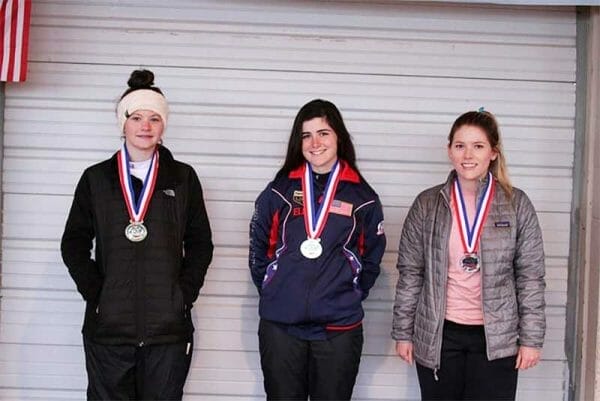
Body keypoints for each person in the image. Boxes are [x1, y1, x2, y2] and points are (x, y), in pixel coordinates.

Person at [61, 69, 213, 400]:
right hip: (110, 331)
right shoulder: (96, 179)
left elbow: (200, 243)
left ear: (163, 126)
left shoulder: (183, 179)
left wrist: (182, 295)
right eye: (137, 117)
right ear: (123, 124)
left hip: (167, 331)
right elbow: (73, 243)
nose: (145, 126)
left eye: (154, 118)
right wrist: (97, 293)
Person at [391, 109, 546, 401]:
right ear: (449, 150)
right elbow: (411, 273)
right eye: (460, 145)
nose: (468, 155)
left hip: (495, 338)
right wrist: (403, 332)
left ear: (493, 153)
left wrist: (531, 339)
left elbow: (530, 277)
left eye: (478, 146)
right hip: (440, 334)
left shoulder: (516, 204)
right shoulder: (427, 204)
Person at [249, 99, 386, 400]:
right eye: (306, 135)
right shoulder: (278, 192)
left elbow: (372, 256)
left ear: (339, 136)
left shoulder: (362, 197)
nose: (315, 143)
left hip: (338, 328)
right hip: (281, 327)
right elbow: (259, 248)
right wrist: (274, 286)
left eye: (323, 133)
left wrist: (350, 292)